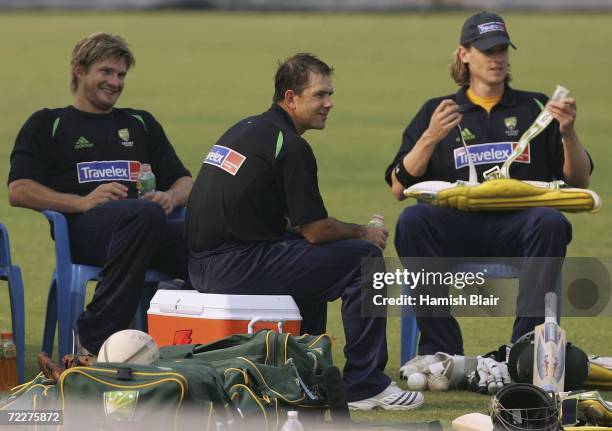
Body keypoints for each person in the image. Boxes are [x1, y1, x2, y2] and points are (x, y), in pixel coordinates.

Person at [186, 53, 424, 411]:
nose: (328, 103)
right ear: (290, 98)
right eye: (319, 95)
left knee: (313, 262)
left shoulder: (246, 129)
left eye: (330, 94)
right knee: (365, 261)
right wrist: (362, 232)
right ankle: (365, 384)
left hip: (202, 264)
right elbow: (315, 230)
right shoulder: (292, 145)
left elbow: (291, 225)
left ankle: (306, 374)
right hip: (232, 266)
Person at [386, 12, 593, 356]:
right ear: (464, 54)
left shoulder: (536, 107)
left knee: (551, 221)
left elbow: (579, 180)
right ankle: (442, 350)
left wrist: (568, 135)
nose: (496, 58)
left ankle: (524, 350)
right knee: (412, 221)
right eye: (487, 50)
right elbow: (398, 185)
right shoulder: (438, 110)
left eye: (501, 50)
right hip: (457, 226)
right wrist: (430, 136)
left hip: (519, 225)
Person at [8, 33, 192, 355]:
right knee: (143, 214)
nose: (115, 82)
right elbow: (19, 190)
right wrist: (80, 202)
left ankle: (197, 350)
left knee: (210, 237)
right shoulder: (49, 124)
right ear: (79, 70)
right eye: (106, 72)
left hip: (147, 228)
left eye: (121, 75)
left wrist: (171, 198)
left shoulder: (140, 123)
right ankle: (91, 343)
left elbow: (185, 181)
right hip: (86, 231)